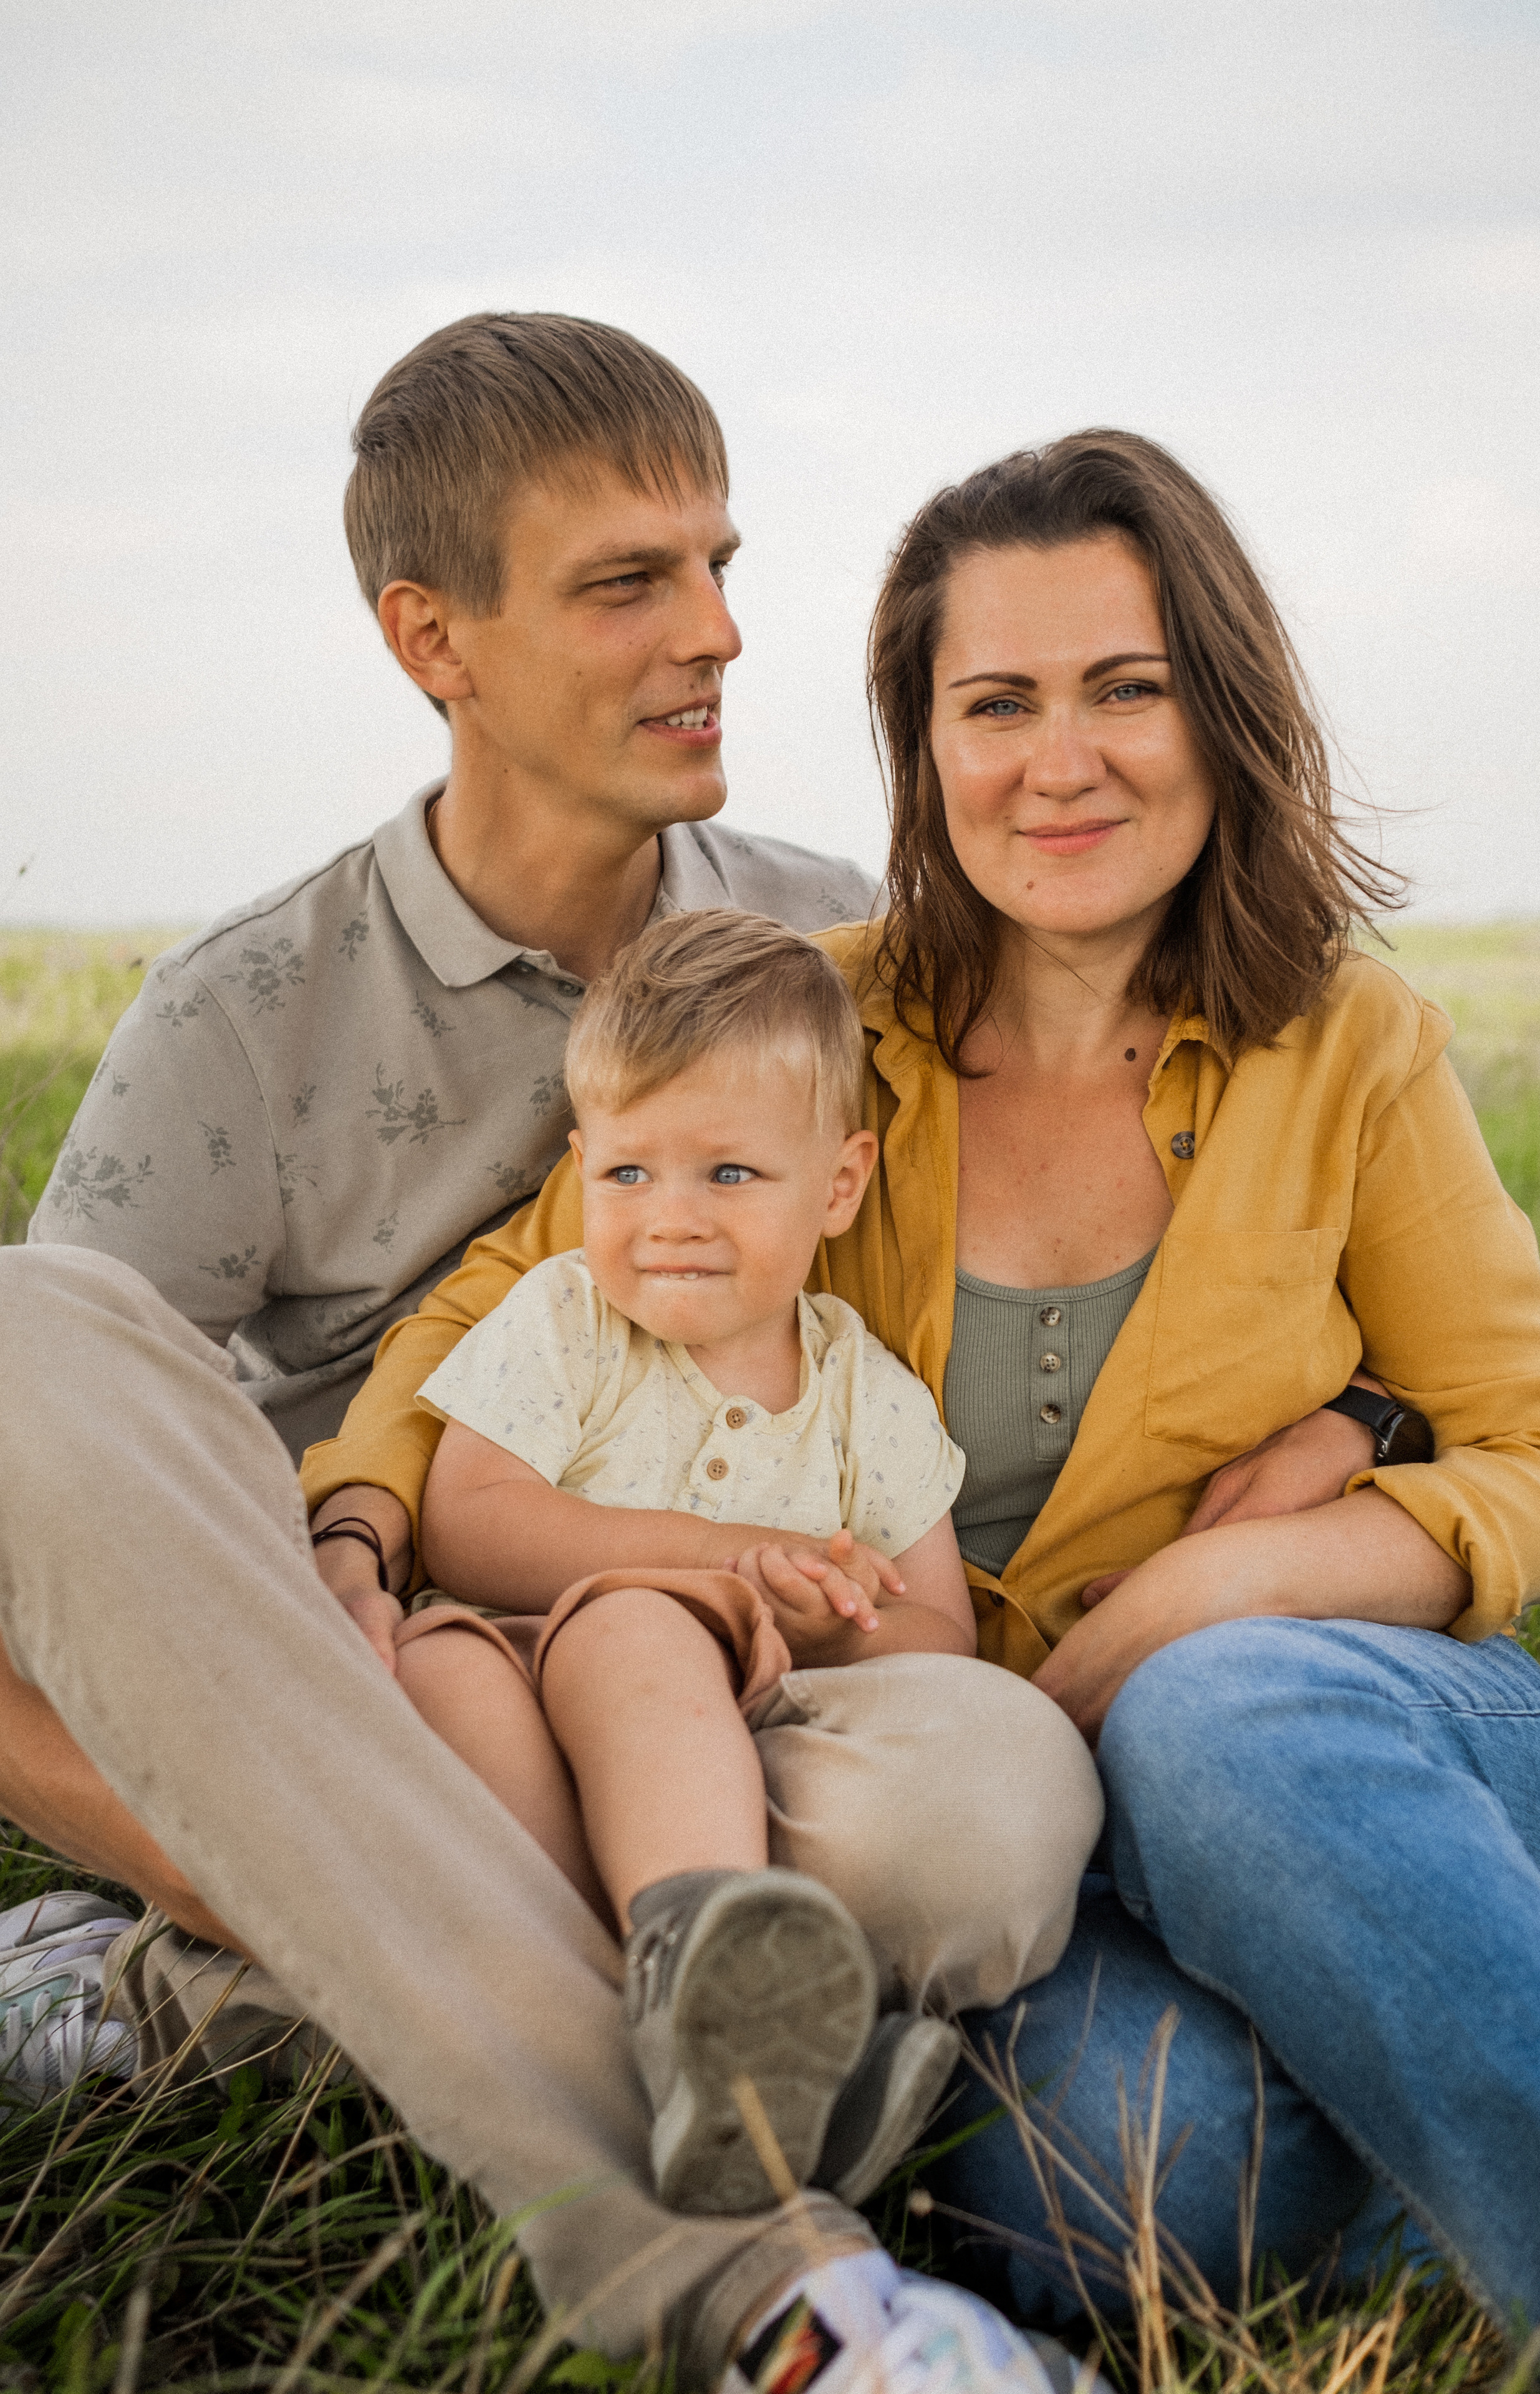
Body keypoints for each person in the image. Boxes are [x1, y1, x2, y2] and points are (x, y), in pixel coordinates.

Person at [312, 430, 1540, 2367]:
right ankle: (1443, 2118)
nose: (1058, 760)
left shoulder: (1350, 1043)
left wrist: (1191, 1600)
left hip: (1341, 1747)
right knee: (1109, 2167)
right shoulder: (808, 1035)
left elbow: (1538, 1449)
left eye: (1126, 689)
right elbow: (506, 1300)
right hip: (1022, 1854)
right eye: (996, 703)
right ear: (926, 748)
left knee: (1212, 1718)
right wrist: (360, 1514)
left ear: (1222, 712)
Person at [0, 317, 1115, 2394]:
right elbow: (65, 1524)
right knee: (16, 1339)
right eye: (629, 583)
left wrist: (1357, 1435)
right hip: (370, 1696)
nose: (716, 633)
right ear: (438, 639)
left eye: (719, 565)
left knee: (982, 1827)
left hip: (742, 1712)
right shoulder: (246, 1014)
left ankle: (193, 2004)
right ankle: (784, 2299)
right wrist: (257, 1838)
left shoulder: (840, 948)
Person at [385, 909, 1099, 2219]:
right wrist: (705, 1563)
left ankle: (677, 2025)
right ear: (580, 1165)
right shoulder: (564, 1322)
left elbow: (939, 1628)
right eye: (628, 1175)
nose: (670, 1220)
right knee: (474, 1663)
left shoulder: (862, 1397)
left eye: (728, 1176)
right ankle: (710, 2046)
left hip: (737, 1732)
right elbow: (468, 1524)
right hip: (524, 1681)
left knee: (647, 1638)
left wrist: (824, 1623)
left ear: (837, 1184)